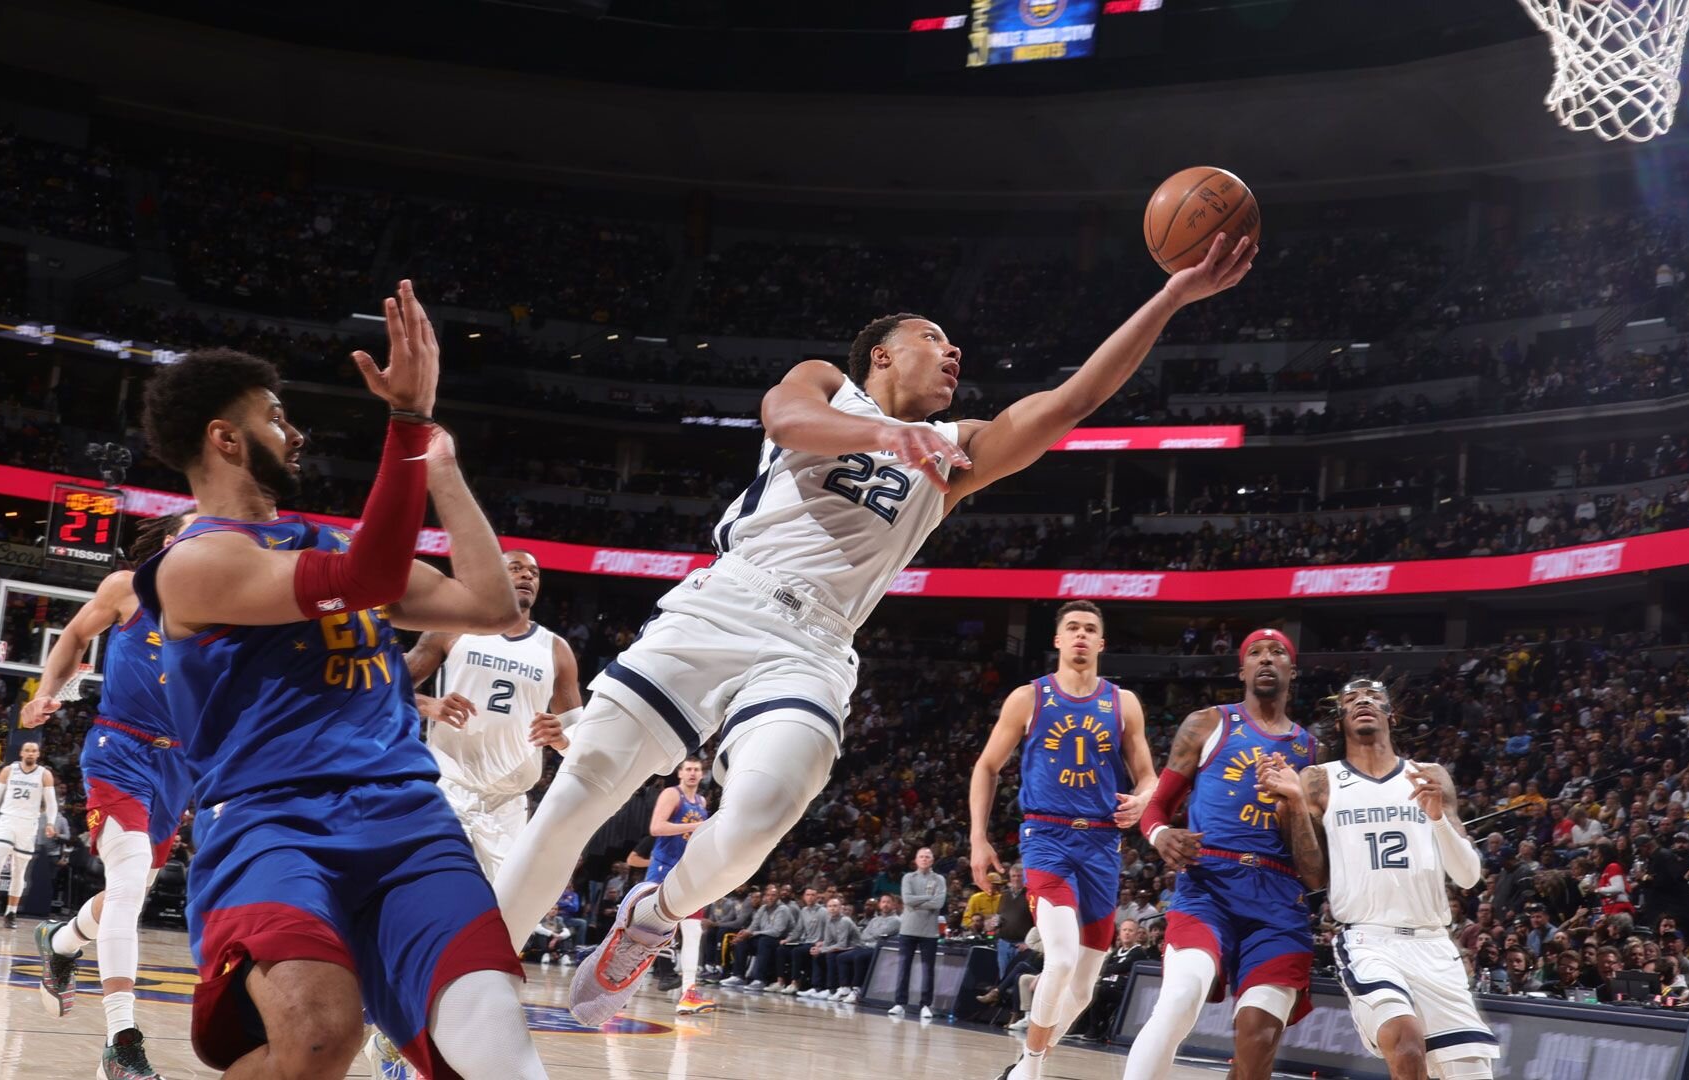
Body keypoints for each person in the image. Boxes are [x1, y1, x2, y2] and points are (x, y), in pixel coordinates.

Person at [490, 239, 1257, 1026]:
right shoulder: (828, 385)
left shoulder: (959, 451)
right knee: (579, 792)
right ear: (881, 354)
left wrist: (1171, 299)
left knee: (762, 813)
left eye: (955, 345)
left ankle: (653, 917)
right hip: (725, 602)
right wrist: (886, 437)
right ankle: (459, 1000)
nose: (953, 351)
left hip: (816, 646)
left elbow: (1068, 404)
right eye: (933, 338)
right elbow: (782, 416)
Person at [133, 282, 546, 1080]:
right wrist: (407, 423)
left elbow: (490, 606)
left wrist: (443, 469)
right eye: (274, 417)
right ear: (224, 439)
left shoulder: (322, 543)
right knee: (322, 1034)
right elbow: (369, 573)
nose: (294, 431)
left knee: (496, 1047)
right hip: (271, 822)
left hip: (408, 818)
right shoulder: (195, 563)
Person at [22, 512, 193, 1080]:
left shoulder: (226, 610)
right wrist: (49, 692)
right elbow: (73, 635)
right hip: (119, 749)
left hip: (179, 765)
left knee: (130, 894)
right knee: (128, 884)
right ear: (172, 542)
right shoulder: (127, 587)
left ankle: (61, 939)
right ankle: (121, 1040)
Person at [1261, 678, 1499, 1080]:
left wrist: (1438, 818)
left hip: (1435, 946)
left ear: (1391, 714)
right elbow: (1315, 875)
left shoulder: (1429, 775)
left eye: (1373, 697)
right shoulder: (1320, 779)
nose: (1363, 702)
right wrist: (1296, 806)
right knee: (1406, 1043)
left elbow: (1469, 876)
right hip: (1369, 940)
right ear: (1340, 722)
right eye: (1351, 699)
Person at [970, 600, 1157, 1080]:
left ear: (1100, 643)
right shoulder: (1029, 697)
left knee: (1085, 986)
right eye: (1071, 627)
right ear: (1057, 640)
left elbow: (1149, 778)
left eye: (1089, 629)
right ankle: (1031, 1069)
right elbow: (987, 766)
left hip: (1101, 847)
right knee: (1062, 957)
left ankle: (1026, 1063)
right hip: (1046, 838)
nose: (1079, 635)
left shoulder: (1123, 703)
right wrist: (978, 838)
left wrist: (1141, 800)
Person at [1126, 630, 1318, 1080]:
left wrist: (1293, 805)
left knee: (1258, 1043)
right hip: (1207, 885)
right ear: (1242, 670)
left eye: (1278, 653)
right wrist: (1159, 835)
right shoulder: (1208, 724)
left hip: (1277, 899)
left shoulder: (1311, 751)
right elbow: (1155, 806)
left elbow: (1312, 854)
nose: (1266, 659)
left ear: (1292, 670)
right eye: (1255, 653)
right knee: (1177, 1002)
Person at [400, 550, 579, 880]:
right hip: (448, 789)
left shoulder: (555, 649)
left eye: (534, 572)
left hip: (507, 805)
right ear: (493, 576)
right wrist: (430, 706)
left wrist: (562, 738)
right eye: (516, 569)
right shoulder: (451, 629)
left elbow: (580, 742)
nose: (527, 576)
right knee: (434, 889)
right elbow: (386, 690)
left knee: (494, 913)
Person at [643, 759, 715, 1014]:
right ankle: (615, 987)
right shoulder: (672, 794)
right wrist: (697, 827)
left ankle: (688, 992)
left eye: (697, 770)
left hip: (688, 872)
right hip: (664, 869)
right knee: (645, 932)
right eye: (689, 769)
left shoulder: (703, 802)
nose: (693, 773)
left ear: (702, 774)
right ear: (680, 773)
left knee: (693, 931)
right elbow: (656, 827)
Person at [0, 741, 57, 929]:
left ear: (38, 754)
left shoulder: (45, 775)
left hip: (28, 825)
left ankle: (11, 913)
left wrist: (51, 822)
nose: (30, 753)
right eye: (27, 750)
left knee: (19, 872)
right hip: (7, 820)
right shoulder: (8, 770)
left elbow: (51, 803)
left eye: (34, 751)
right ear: (21, 752)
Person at [890, 846, 947, 1019]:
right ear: (916, 860)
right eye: (921, 856)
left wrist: (916, 902)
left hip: (929, 932)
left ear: (932, 860)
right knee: (903, 967)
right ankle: (900, 1003)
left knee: (928, 970)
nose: (924, 859)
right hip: (908, 929)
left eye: (927, 856)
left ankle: (925, 1005)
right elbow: (906, 900)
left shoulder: (939, 879)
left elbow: (939, 903)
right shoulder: (908, 877)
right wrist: (928, 898)